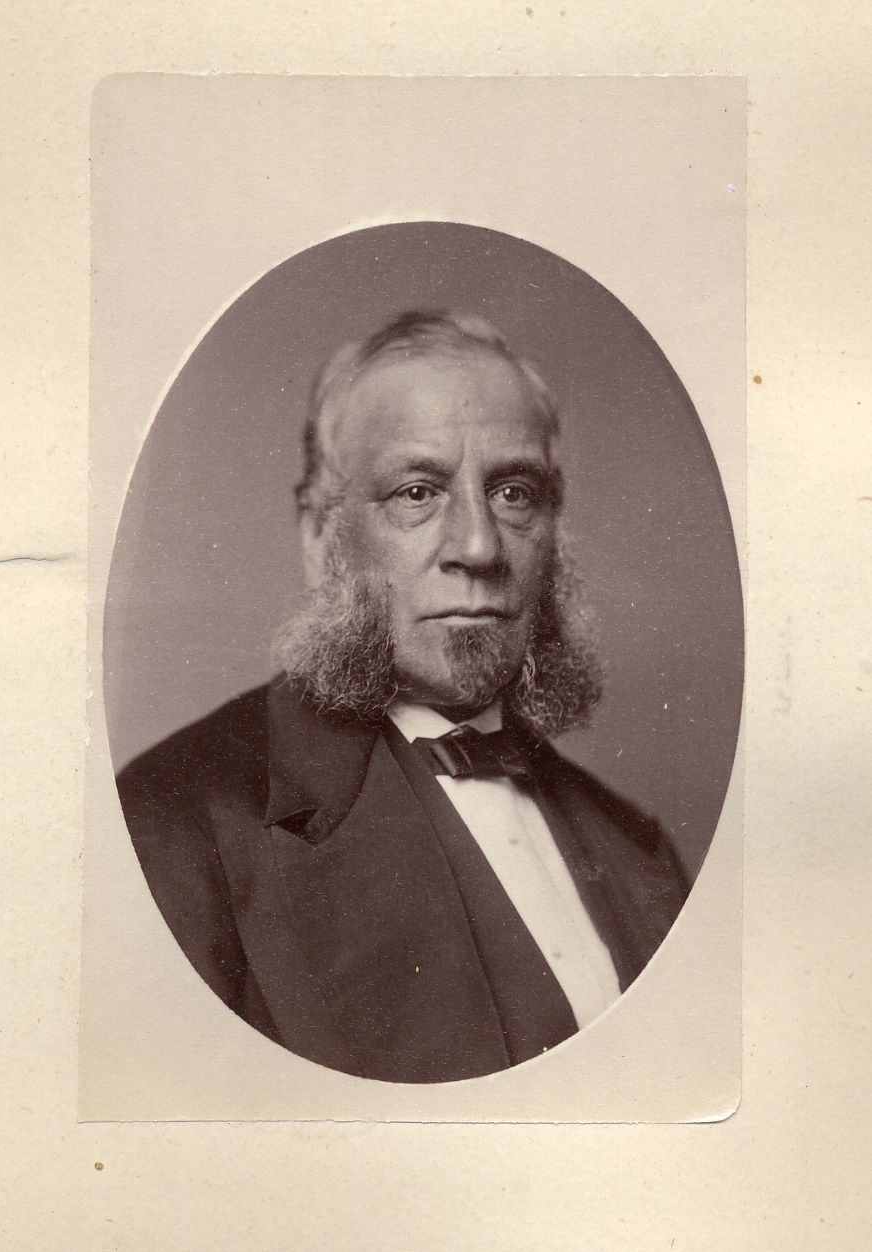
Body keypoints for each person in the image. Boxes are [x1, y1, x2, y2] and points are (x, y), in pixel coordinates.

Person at [117, 310, 689, 1084]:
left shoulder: (637, 851)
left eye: (514, 492)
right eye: (417, 492)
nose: (478, 547)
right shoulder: (173, 830)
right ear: (320, 537)